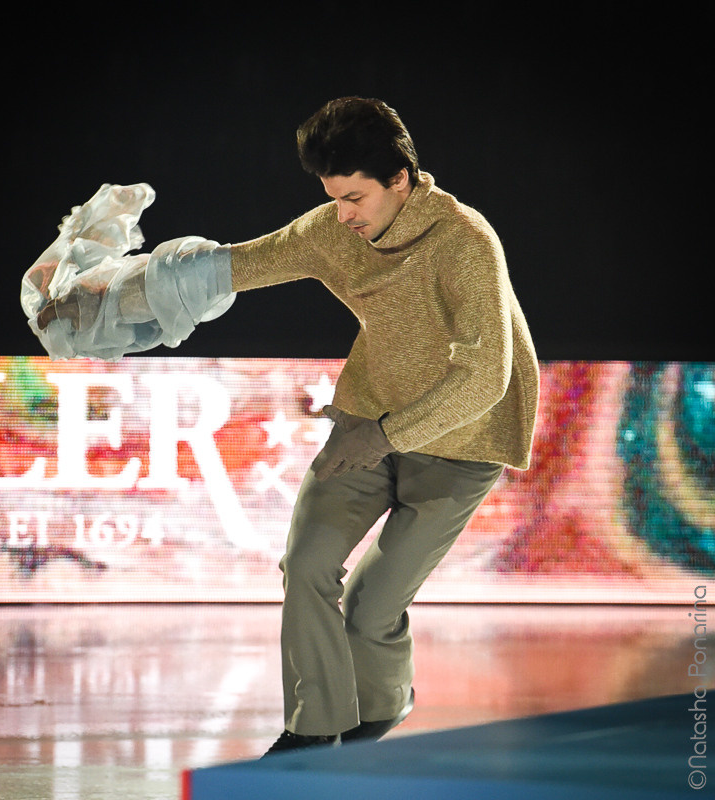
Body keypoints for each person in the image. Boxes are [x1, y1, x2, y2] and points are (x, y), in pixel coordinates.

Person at [26, 97, 540, 755]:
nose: (343, 214)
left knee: (371, 609)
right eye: (333, 197)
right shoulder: (331, 231)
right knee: (306, 564)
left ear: (401, 181)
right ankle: (310, 729)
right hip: (366, 420)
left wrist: (383, 435)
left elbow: (484, 378)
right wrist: (100, 298)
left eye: (354, 197)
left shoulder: (466, 244)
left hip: (463, 442)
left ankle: (382, 708)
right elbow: (229, 267)